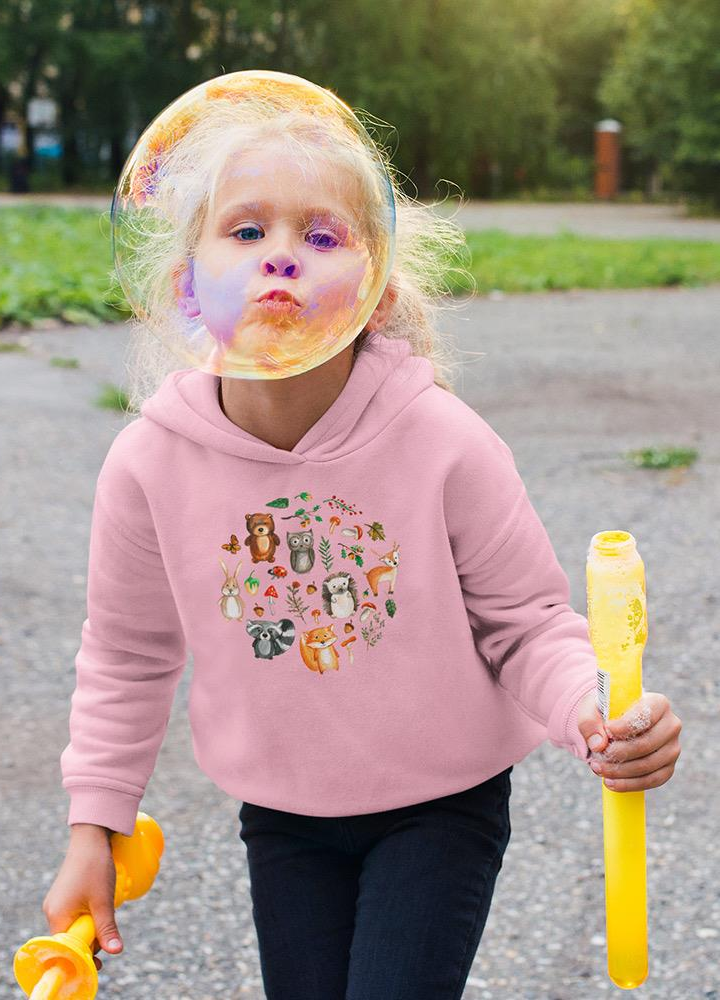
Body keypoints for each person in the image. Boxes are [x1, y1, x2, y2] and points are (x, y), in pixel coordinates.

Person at [41, 76, 682, 1000]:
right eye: (247, 229)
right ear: (188, 280)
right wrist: (92, 831)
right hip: (285, 816)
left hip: (441, 807)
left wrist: (590, 709)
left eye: (323, 235)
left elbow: (527, 621)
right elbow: (127, 656)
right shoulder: (149, 464)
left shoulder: (442, 440)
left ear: (376, 290)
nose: (282, 259)